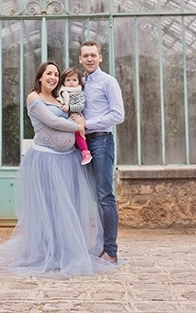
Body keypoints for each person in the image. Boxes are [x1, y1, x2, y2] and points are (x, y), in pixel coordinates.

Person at [0, 61, 116, 277]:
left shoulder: (59, 98)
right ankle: (45, 253)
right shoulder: (34, 98)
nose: (53, 77)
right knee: (49, 208)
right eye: (49, 73)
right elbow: (51, 121)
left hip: (67, 160)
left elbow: (75, 111)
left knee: (66, 209)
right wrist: (78, 126)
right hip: (46, 160)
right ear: (40, 77)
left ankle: (65, 252)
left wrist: (77, 118)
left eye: (56, 74)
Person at [79, 41, 124, 264]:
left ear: (100, 57)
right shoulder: (80, 83)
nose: (89, 59)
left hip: (101, 141)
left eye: (93, 55)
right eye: (85, 55)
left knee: (105, 196)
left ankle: (111, 251)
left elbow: (118, 115)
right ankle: (99, 246)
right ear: (80, 59)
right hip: (83, 145)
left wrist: (88, 124)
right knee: (95, 198)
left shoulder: (108, 82)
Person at [57, 67, 92, 165]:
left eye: (74, 80)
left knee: (77, 133)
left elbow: (80, 106)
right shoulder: (62, 92)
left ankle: (86, 152)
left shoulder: (79, 93)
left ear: (79, 82)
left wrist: (69, 108)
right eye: (68, 80)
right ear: (63, 82)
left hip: (76, 117)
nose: (71, 82)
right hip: (67, 119)